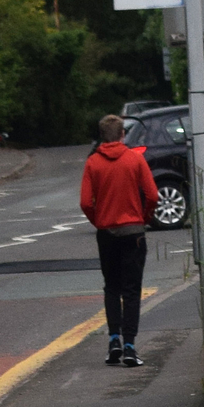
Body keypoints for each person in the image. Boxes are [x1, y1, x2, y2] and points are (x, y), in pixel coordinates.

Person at [79, 114, 159, 367]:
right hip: (133, 232)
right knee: (132, 290)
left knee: (111, 288)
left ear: (103, 136)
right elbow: (153, 195)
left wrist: (99, 220)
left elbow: (84, 202)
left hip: (107, 233)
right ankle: (130, 346)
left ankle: (113, 340)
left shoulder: (93, 163)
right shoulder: (135, 160)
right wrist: (143, 218)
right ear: (123, 134)